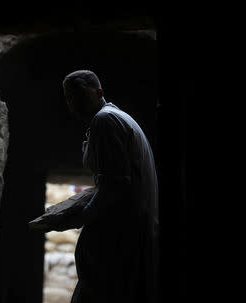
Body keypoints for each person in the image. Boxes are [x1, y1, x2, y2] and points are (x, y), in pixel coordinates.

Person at [60, 70, 160, 303]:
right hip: (130, 234)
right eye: (69, 98)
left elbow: (114, 184)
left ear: (99, 93)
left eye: (79, 95)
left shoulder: (105, 121)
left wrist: (78, 217)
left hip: (122, 239)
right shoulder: (116, 118)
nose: (73, 103)